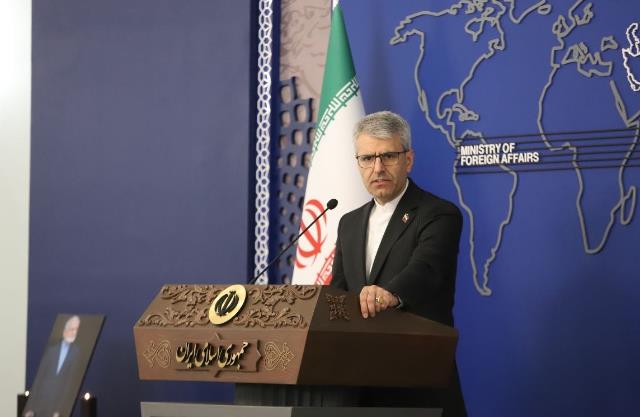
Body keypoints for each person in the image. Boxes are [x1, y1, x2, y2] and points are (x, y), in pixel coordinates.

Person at [331, 110, 467, 417]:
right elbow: (338, 290)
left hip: (420, 382)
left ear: (408, 159)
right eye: (367, 158)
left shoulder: (438, 214)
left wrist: (390, 294)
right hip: (359, 384)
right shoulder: (349, 223)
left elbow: (427, 269)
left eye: (388, 156)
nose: (377, 168)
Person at [24, 315, 82, 417]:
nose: (74, 332)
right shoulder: (52, 351)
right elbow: (39, 379)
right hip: (40, 403)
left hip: (58, 406)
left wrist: (59, 410)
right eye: (72, 329)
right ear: (65, 330)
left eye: (76, 329)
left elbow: (70, 384)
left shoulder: (76, 353)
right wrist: (30, 407)